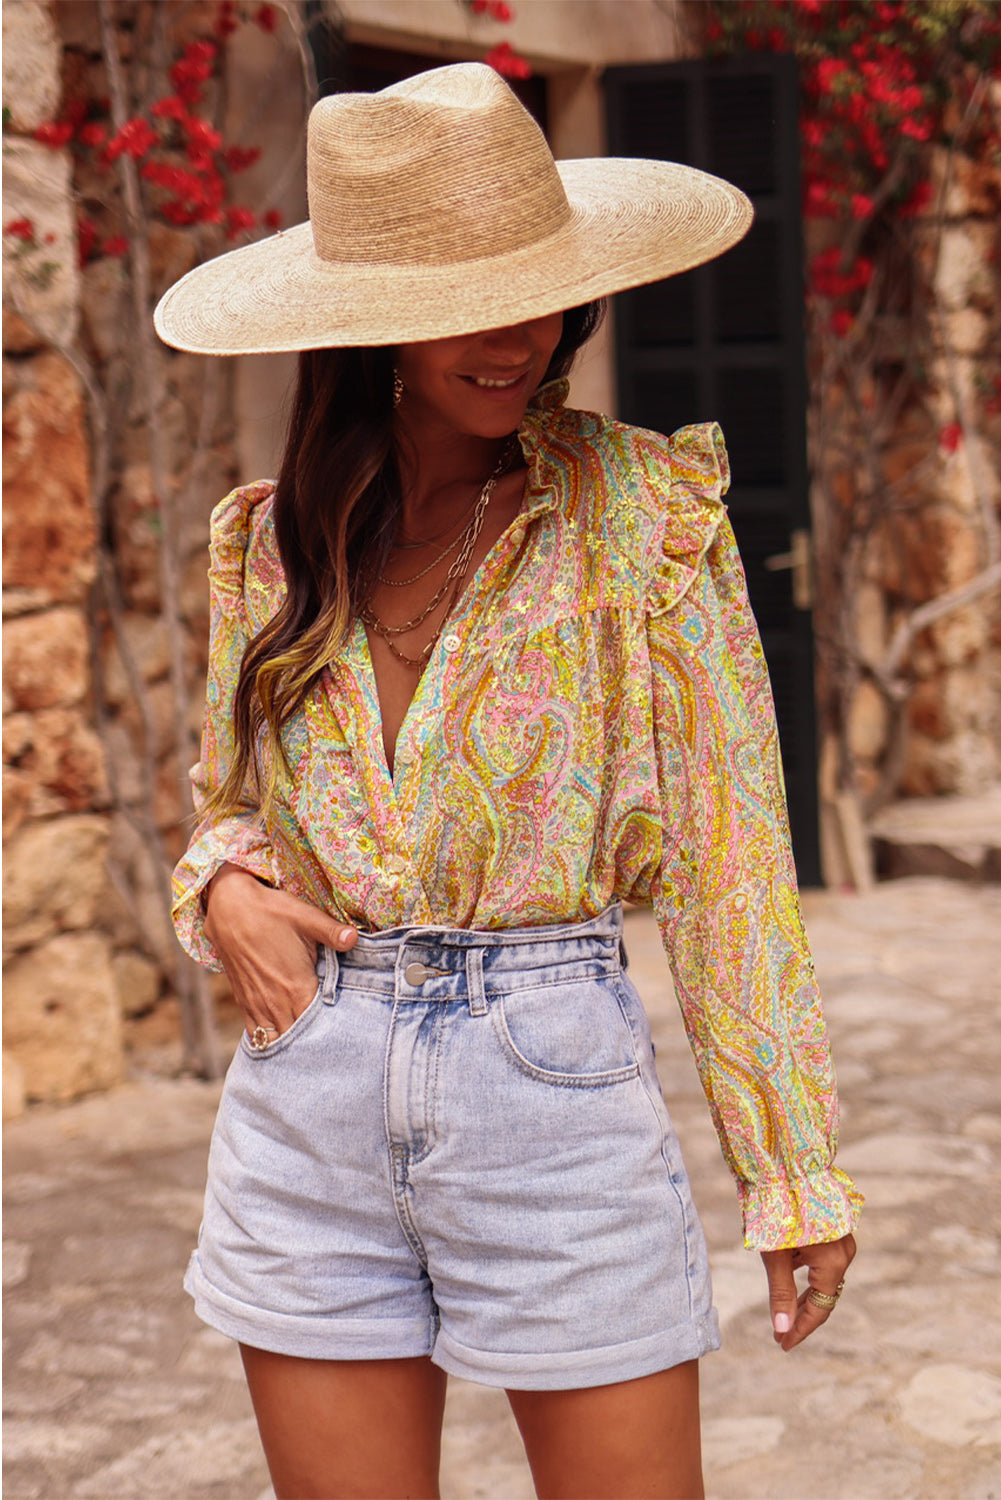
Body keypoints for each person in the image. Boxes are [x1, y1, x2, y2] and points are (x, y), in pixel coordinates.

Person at [156, 62, 861, 1500]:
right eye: (466, 301)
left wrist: (789, 1169)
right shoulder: (267, 542)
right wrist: (220, 881)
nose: (518, 336)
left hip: (553, 1088)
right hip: (310, 1105)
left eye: (538, 288)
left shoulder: (644, 514)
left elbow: (726, 856)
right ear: (373, 328)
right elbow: (220, 794)